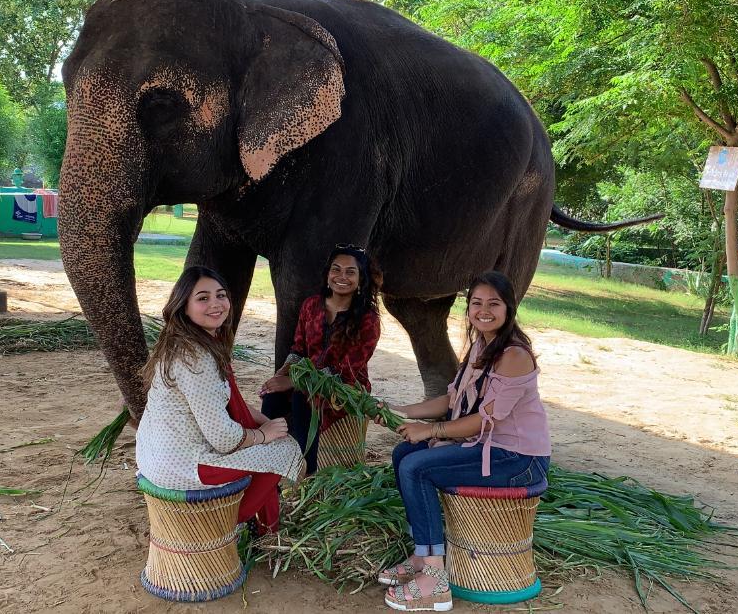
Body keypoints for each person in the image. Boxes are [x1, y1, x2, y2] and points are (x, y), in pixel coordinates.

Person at [378, 271, 551, 612]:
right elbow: (452, 401)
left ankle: (434, 580)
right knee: (404, 454)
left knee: (417, 468)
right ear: (468, 308)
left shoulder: (514, 355)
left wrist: (430, 431)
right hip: (487, 447)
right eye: (476, 303)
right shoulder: (481, 346)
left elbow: (486, 419)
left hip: (518, 460)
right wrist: (397, 410)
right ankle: (422, 552)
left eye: (494, 304)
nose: (484, 310)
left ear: (509, 308)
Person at [135, 266, 304, 534]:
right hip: (183, 465)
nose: (215, 304)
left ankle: (263, 523)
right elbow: (224, 440)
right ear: (184, 306)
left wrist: (265, 423)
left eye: (220, 295)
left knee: (270, 446)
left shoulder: (184, 342)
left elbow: (222, 402)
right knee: (285, 451)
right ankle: (228, 521)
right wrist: (262, 435)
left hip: (154, 455)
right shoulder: (197, 360)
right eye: (203, 298)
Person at [260, 244, 382, 475]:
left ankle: (309, 470)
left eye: (350, 272)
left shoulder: (368, 319)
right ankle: (269, 462)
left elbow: (346, 371)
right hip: (305, 380)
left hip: (344, 390)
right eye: (336, 270)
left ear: (361, 280)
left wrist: (295, 383)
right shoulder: (311, 306)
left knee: (303, 397)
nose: (341, 277)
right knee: (273, 395)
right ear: (327, 275)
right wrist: (281, 375)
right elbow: (298, 349)